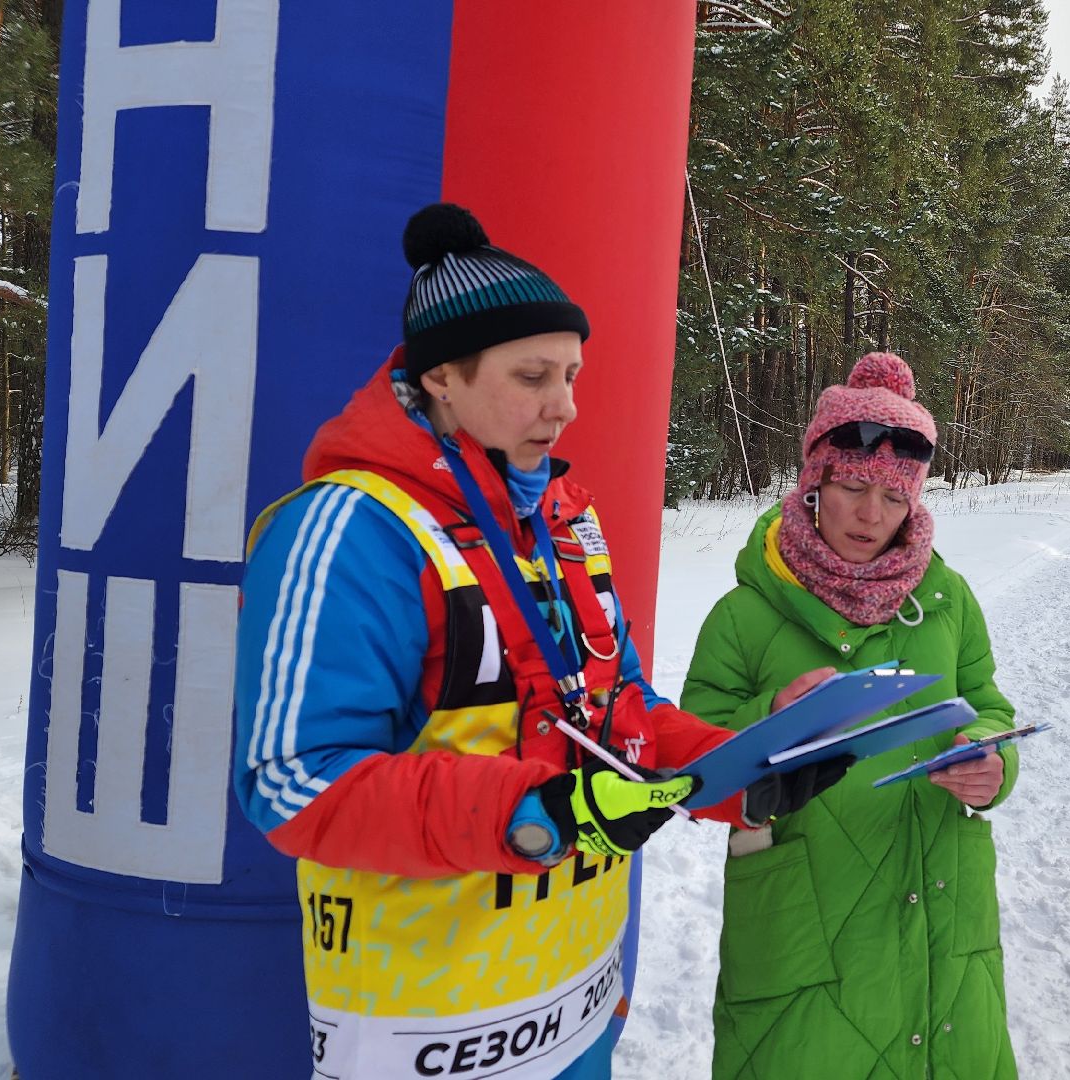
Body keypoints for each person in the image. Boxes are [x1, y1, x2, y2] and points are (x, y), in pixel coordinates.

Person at [230, 204, 843, 1079]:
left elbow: (619, 709)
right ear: (441, 375)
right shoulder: (351, 529)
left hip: (575, 1006)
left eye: (572, 374)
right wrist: (537, 813)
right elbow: (290, 782)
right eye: (532, 376)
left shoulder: (564, 520)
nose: (566, 405)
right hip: (427, 1035)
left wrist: (745, 769)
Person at [682, 353, 1023, 1080]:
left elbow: (988, 704)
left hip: (941, 907)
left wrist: (992, 759)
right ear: (815, 484)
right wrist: (770, 717)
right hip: (807, 922)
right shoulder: (744, 616)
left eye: (895, 497)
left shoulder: (948, 600)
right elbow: (687, 769)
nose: (873, 515)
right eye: (853, 488)